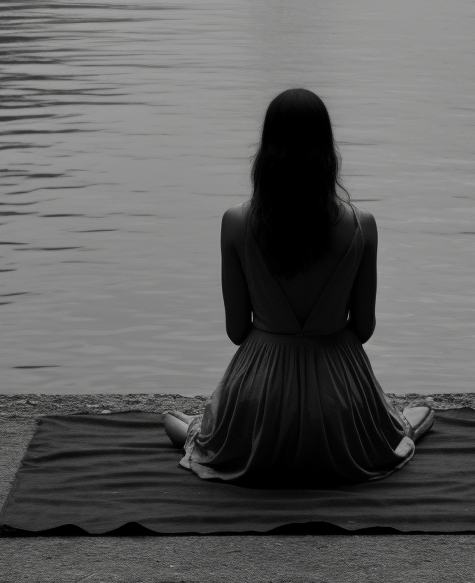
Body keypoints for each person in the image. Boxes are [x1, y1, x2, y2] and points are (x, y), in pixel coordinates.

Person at [163, 88, 433, 485]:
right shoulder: (363, 225)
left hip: (259, 403)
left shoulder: (235, 223)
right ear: (327, 150)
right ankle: (396, 428)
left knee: (178, 424)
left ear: (267, 151)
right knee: (415, 418)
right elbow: (363, 329)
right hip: (340, 402)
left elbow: (237, 331)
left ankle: (204, 436)